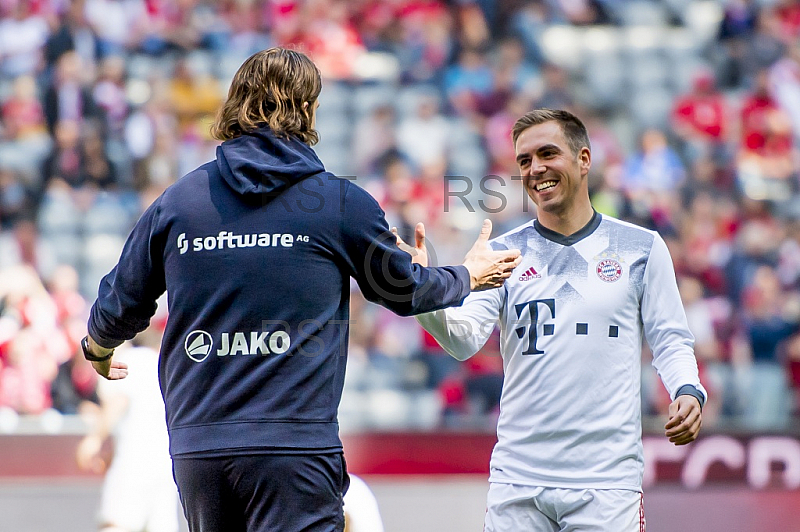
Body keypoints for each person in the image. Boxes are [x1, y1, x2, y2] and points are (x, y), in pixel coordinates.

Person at [80, 47, 521, 532]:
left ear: (233, 106)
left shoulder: (180, 202)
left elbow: (120, 300)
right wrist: (469, 275)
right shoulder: (336, 202)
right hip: (294, 449)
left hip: (200, 450)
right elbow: (405, 290)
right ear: (308, 110)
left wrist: (99, 347)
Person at [405, 109, 707, 531]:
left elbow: (670, 339)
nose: (535, 169)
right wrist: (422, 295)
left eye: (548, 154)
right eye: (525, 161)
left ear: (584, 159)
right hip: (519, 479)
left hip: (606, 483)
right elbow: (464, 339)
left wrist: (688, 391)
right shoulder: (502, 253)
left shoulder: (641, 247)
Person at [76, 330, 180, 532]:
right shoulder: (161, 364)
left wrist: (94, 440)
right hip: (165, 463)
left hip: (133, 462)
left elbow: (119, 401)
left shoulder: (129, 360)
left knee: (116, 524)